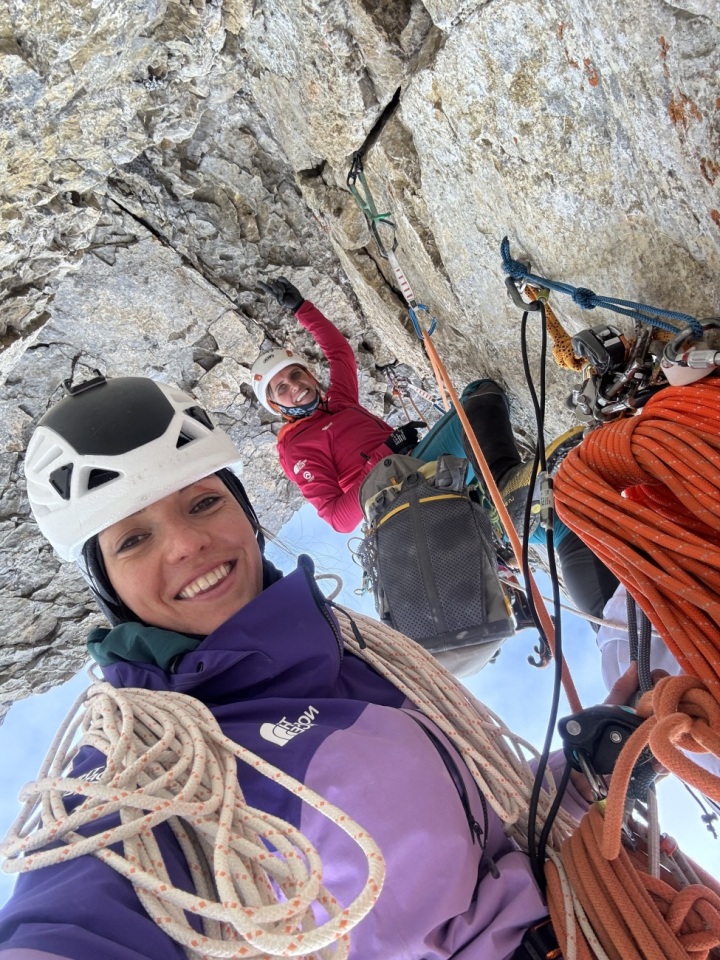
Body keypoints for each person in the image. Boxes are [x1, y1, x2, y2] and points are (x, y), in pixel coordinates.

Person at [0, 373, 640, 960]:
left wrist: (590, 773)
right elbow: (68, 921)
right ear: (107, 585)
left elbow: (478, 815)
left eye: (202, 504)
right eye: (133, 539)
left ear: (247, 516)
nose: (188, 543)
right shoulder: (138, 769)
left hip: (606, 918)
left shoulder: (358, 655)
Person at [254, 276, 619, 621]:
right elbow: (339, 517)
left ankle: (613, 633)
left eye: (296, 375)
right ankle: (503, 491)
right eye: (281, 388)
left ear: (310, 375)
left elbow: (339, 353)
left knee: (559, 516)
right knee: (478, 398)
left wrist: (302, 307)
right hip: (399, 493)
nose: (294, 387)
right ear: (277, 407)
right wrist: (386, 453)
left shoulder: (340, 402)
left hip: (419, 473)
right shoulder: (297, 447)